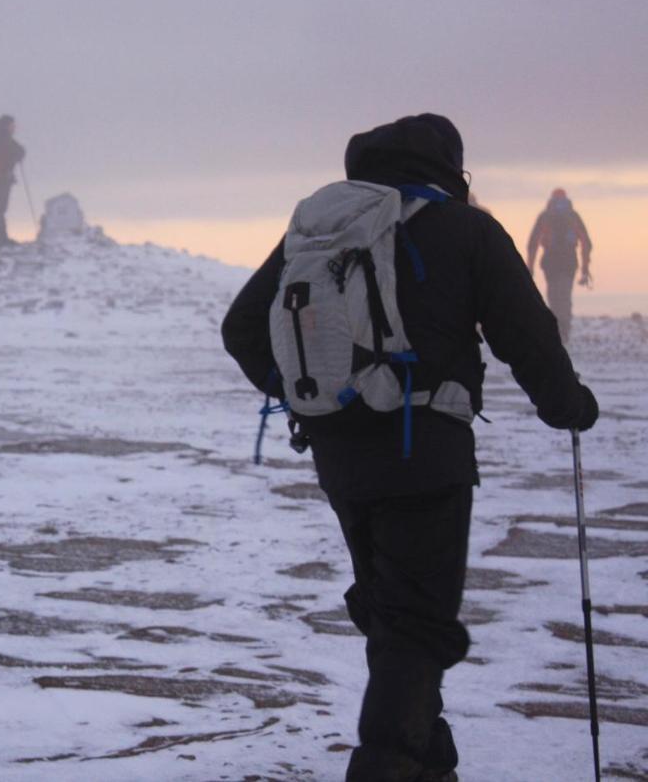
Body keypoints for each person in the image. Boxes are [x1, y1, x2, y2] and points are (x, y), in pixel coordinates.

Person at [221, 114, 598, 782]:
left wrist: (315, 400)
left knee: (395, 616)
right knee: (417, 624)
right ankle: (386, 766)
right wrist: (567, 404)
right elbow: (526, 332)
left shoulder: (321, 228)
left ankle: (429, 764)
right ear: (450, 167)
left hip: (340, 457)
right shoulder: (466, 227)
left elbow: (243, 327)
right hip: (426, 451)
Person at [527, 188, 593, 343]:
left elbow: (533, 243)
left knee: (554, 296)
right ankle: (564, 331)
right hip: (569, 262)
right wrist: (585, 268)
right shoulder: (573, 216)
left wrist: (529, 268)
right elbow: (586, 243)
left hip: (550, 263)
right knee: (565, 296)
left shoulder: (545, 216)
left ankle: (558, 330)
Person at [0, 114, 26, 248]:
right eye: (12, 125)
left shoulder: (0, 137)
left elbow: (18, 151)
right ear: (7, 125)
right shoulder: (0, 138)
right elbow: (17, 151)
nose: (14, 128)